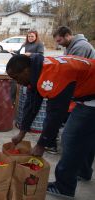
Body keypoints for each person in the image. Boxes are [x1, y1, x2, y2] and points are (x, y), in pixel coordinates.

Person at [6, 54, 95, 198]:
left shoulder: (52, 76)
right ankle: (82, 171)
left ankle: (64, 187)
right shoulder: (38, 69)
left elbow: (55, 115)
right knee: (86, 136)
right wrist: (22, 132)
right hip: (88, 91)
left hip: (91, 97)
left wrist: (42, 144)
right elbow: (32, 104)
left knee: (70, 139)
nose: (17, 82)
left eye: (16, 78)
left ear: (25, 71)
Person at [53, 26, 95, 178]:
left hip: (88, 99)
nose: (59, 44)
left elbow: (71, 75)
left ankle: (65, 182)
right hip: (87, 98)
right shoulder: (71, 46)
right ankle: (84, 171)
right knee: (88, 139)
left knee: (70, 138)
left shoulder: (81, 48)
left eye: (60, 40)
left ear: (68, 35)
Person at [13, 30, 47, 138]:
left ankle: (28, 127)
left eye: (32, 36)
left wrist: (30, 54)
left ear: (36, 37)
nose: (30, 38)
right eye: (29, 36)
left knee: (32, 102)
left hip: (33, 71)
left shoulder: (39, 44)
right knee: (25, 100)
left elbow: (41, 56)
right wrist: (14, 53)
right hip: (25, 69)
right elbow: (19, 52)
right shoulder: (25, 44)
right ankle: (24, 125)